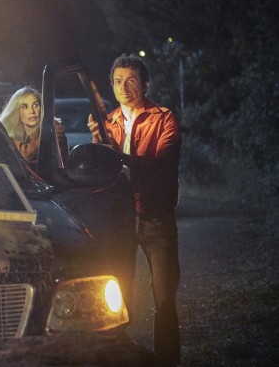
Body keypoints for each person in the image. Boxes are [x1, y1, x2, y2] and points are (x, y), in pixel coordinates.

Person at [88, 54, 182, 367]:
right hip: (120, 217)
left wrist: (116, 156)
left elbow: (161, 164)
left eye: (131, 80)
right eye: (118, 81)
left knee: (164, 296)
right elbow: (100, 172)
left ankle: (167, 361)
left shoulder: (164, 118)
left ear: (145, 83)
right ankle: (119, 358)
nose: (124, 87)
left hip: (156, 216)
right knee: (117, 294)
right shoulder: (108, 122)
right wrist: (98, 143)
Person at [0, 86, 68, 166]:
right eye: (24, 107)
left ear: (42, 108)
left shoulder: (53, 128)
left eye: (35, 105)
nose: (32, 111)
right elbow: (26, 155)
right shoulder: (5, 133)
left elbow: (62, 162)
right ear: (16, 110)